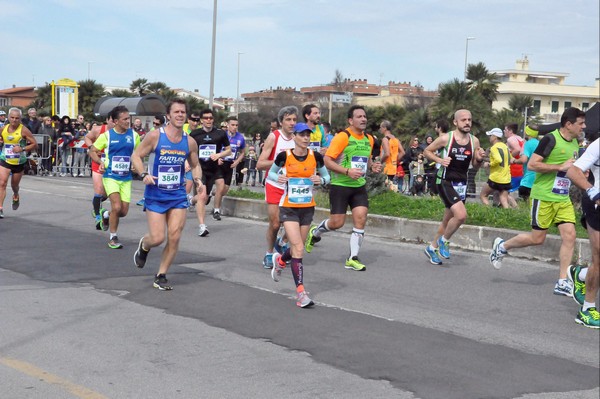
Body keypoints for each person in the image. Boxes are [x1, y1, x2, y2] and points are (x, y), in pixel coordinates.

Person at [490, 107, 586, 297]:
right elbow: (533, 165)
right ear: (569, 124)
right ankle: (502, 246)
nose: (584, 126)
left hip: (562, 197)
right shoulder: (550, 139)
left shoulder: (575, 142)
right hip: (544, 196)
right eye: (581, 123)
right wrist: (559, 166)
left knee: (570, 236)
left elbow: (570, 169)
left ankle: (562, 281)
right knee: (537, 238)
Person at [131, 98, 203, 291]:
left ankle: (161, 274)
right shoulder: (155, 136)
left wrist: (198, 180)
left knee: (175, 236)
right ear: (169, 116)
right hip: (156, 194)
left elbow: (195, 165)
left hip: (178, 194)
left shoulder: (190, 142)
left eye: (183, 112)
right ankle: (144, 246)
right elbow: (136, 156)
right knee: (157, 238)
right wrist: (144, 174)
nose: (180, 115)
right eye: (176, 112)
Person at [304, 105, 383, 271]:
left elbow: (365, 159)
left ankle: (352, 258)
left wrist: (372, 166)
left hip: (359, 186)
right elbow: (327, 160)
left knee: (360, 219)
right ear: (350, 120)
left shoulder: (368, 138)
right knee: (337, 223)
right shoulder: (343, 137)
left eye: (364, 116)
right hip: (340, 186)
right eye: (359, 116)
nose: (363, 119)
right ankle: (316, 232)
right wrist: (347, 171)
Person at [268, 122, 330, 307]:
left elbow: (327, 177)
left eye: (308, 135)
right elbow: (270, 173)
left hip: (307, 207)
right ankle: (301, 293)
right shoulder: (284, 156)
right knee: (298, 248)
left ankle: (280, 260)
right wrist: (277, 177)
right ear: (294, 136)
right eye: (302, 135)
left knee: (298, 247)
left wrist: (321, 179)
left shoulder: (315, 156)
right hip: (288, 207)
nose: (305, 138)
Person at [422, 109, 485, 265]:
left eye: (469, 119)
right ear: (455, 122)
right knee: (461, 215)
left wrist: (479, 159)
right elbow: (426, 151)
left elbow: (475, 166)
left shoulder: (474, 141)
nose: (467, 122)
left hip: (461, 183)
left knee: (447, 221)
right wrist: (439, 160)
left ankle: (432, 248)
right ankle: (444, 240)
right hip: (445, 181)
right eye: (463, 120)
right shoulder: (446, 138)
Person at [88, 106, 141, 249]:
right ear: (116, 121)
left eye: (128, 118)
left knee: (123, 212)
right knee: (116, 207)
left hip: (126, 178)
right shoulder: (107, 136)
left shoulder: (134, 135)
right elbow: (92, 151)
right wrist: (100, 162)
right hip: (110, 176)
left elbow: (138, 154)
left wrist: (136, 165)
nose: (127, 121)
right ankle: (113, 237)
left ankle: (106, 216)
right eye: (124, 119)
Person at [257, 106, 298, 268]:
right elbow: (260, 163)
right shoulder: (274, 137)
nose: (292, 123)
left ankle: (282, 241)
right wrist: (280, 162)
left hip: (292, 186)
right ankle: (268, 253)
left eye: (294, 119)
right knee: (275, 224)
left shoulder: (298, 139)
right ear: (281, 122)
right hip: (274, 184)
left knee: (295, 221)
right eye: (288, 119)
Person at [566, 137, 600, 328]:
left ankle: (580, 274)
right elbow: (573, 170)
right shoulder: (598, 144)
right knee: (599, 258)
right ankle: (587, 310)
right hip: (597, 203)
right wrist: (593, 192)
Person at [189, 108, 231, 236]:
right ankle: (202, 226)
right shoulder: (195, 134)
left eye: (211, 118)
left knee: (221, 184)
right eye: (206, 118)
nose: (208, 120)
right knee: (203, 196)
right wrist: (187, 163)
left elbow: (228, 150)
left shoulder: (220, 133)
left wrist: (219, 154)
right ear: (201, 120)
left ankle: (214, 208)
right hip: (200, 168)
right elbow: (189, 151)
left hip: (215, 167)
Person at [0, 108, 38, 219]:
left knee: (14, 185)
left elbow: (34, 144)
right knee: (2, 183)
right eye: (12, 117)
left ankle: (16, 195)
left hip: (18, 162)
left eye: (17, 118)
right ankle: (0, 208)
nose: (14, 120)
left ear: (20, 119)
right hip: (5, 159)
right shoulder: (3, 129)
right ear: (8, 117)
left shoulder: (24, 130)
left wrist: (22, 148)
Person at [85, 115, 114, 230]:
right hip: (97, 162)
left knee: (106, 193)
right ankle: (98, 217)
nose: (114, 123)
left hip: (111, 164)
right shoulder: (98, 130)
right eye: (111, 120)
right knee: (98, 190)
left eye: (116, 121)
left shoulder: (121, 133)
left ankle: (96, 206)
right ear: (107, 120)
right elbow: (87, 137)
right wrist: (92, 147)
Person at [217, 116, 245, 213]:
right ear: (227, 125)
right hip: (220, 164)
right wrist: (218, 158)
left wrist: (237, 161)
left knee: (225, 190)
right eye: (232, 125)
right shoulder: (221, 135)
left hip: (230, 164)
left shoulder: (240, 138)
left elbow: (242, 152)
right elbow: (215, 149)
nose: (234, 127)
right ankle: (217, 209)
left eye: (236, 125)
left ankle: (215, 195)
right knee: (220, 187)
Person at [479, 128, 514, 208]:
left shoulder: (494, 148)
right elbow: (511, 159)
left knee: (483, 195)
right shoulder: (505, 147)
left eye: (490, 135)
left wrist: (489, 164)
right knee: (503, 199)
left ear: (494, 137)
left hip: (496, 177)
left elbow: (498, 160)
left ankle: (490, 212)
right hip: (506, 178)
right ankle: (509, 216)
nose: (489, 137)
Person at [517, 125, 540, 201]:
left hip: (527, 181)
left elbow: (524, 160)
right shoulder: (540, 143)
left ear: (527, 132)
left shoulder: (528, 144)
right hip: (538, 180)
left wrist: (514, 161)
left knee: (524, 206)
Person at [379, 120, 405, 185]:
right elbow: (402, 152)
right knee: (391, 187)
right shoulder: (395, 139)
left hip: (386, 168)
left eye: (381, 127)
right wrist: (395, 160)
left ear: (385, 128)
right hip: (393, 168)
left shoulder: (385, 139)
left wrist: (380, 162)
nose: (380, 129)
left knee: (385, 188)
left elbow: (387, 154)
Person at [504, 123, 525, 192]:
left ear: (510, 131)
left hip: (513, 169)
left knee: (505, 192)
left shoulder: (510, 139)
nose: (504, 131)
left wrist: (507, 159)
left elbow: (517, 149)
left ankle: (513, 203)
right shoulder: (520, 138)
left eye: (505, 129)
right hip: (521, 169)